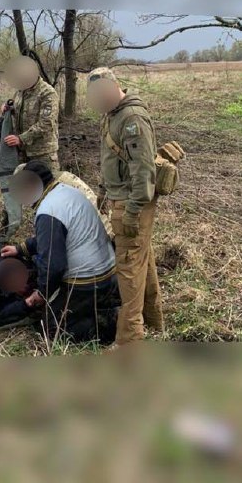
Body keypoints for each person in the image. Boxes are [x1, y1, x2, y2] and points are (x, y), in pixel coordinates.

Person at [0, 161, 120, 343]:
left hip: (88, 281)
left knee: (52, 329)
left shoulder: (48, 211)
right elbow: (57, 236)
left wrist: (39, 294)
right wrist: (20, 248)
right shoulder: (65, 191)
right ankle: (105, 307)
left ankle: (111, 324)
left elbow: (54, 266)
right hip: (108, 272)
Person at [86, 67, 164, 346]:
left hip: (133, 202)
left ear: (115, 86)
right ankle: (153, 319)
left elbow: (144, 172)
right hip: (121, 199)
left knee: (128, 270)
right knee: (140, 258)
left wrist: (132, 211)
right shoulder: (112, 115)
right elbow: (111, 160)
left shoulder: (131, 118)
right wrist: (103, 192)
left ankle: (129, 343)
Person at [2, 56, 60, 174]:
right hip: (23, 153)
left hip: (42, 153)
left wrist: (21, 138)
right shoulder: (21, 91)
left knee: (48, 190)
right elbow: (21, 109)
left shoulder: (47, 93)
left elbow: (46, 123)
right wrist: (9, 107)